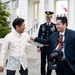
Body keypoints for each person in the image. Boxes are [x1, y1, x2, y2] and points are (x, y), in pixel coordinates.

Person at [37, 11, 57, 75]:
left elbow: (57, 37)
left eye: (49, 18)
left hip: (50, 47)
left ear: (51, 18)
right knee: (43, 62)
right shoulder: (42, 26)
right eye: (47, 18)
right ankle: (42, 73)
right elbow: (39, 36)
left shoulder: (54, 26)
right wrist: (38, 46)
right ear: (46, 18)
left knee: (50, 62)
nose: (48, 19)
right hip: (43, 47)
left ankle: (48, 74)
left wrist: (55, 47)